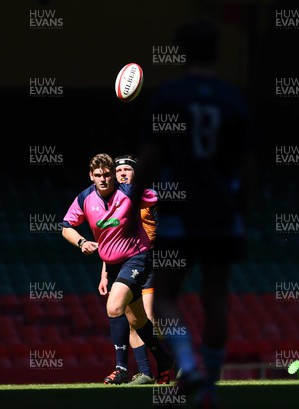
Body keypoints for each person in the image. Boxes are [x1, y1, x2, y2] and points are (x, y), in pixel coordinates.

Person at [129, 17, 257, 408]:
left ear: (181, 52)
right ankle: (211, 386)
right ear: (217, 52)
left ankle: (189, 364)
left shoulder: (169, 96)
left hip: (180, 211)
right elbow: (250, 166)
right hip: (221, 213)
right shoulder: (234, 98)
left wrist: (133, 202)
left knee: (165, 296)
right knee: (215, 297)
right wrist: (243, 212)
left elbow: (150, 159)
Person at [62, 153, 173, 385]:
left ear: (112, 175)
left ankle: (121, 367)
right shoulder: (85, 198)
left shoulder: (130, 192)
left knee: (114, 307)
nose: (103, 179)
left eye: (107, 174)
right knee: (139, 320)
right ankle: (164, 359)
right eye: (98, 175)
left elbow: (160, 197)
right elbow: (66, 226)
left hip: (137, 259)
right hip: (112, 266)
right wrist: (82, 242)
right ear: (91, 176)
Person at [96, 154, 158, 385]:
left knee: (150, 319)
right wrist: (104, 272)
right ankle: (145, 372)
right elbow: (110, 240)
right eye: (118, 170)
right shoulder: (112, 201)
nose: (122, 173)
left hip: (149, 263)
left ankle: (180, 363)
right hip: (122, 266)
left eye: (127, 170)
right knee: (132, 318)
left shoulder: (148, 200)